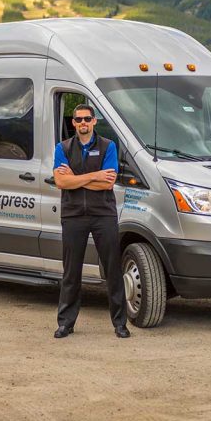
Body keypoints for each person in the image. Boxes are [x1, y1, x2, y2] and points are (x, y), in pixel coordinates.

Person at [52, 103, 130, 339]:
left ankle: (120, 324)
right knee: (71, 272)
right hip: (73, 214)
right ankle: (66, 323)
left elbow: (107, 183)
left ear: (94, 121)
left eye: (87, 119)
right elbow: (61, 183)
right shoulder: (62, 148)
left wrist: (76, 178)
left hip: (103, 214)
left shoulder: (108, 146)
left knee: (112, 270)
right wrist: (93, 176)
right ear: (73, 123)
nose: (83, 123)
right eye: (78, 120)